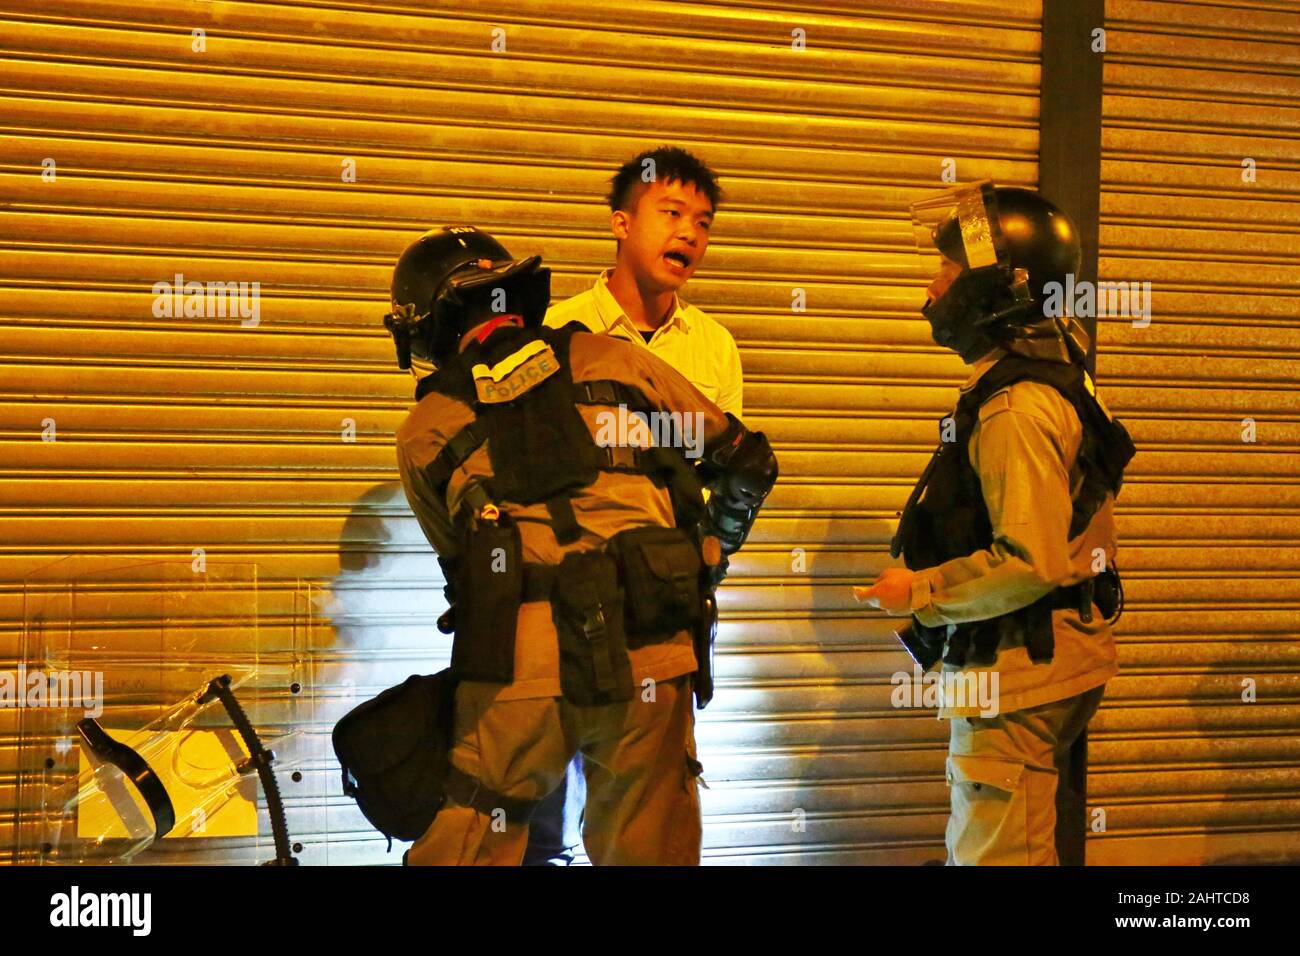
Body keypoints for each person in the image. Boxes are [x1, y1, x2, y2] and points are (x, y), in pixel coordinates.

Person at [384, 225, 777, 865]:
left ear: (425, 321)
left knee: (476, 837)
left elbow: (463, 568)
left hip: (522, 669)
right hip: (651, 650)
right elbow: (747, 465)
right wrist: (708, 560)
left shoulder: (424, 429)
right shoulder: (611, 358)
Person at [854, 183, 1135, 866]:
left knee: (999, 852)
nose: (933, 285)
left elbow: (1028, 561)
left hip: (1021, 669)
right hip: (1051, 657)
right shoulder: (1057, 364)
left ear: (995, 290)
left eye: (948, 272)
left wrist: (915, 591)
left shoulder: (1016, 407)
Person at [528, 145, 744, 865]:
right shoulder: (555, 332)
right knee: (541, 815)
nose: (689, 233)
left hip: (659, 607)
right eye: (671, 213)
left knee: (649, 819)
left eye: (704, 222)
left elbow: (730, 469)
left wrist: (710, 553)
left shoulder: (713, 347)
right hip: (560, 606)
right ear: (621, 222)